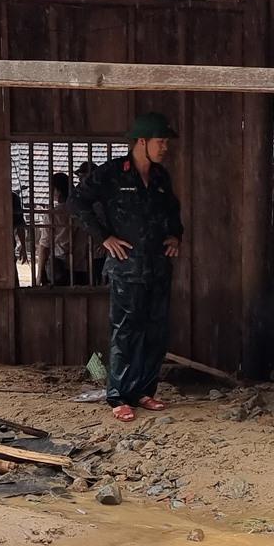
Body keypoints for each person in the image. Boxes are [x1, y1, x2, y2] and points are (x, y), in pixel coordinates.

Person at [73, 112, 184, 421]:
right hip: (126, 268)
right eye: (160, 142)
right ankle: (119, 396)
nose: (165, 147)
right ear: (141, 142)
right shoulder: (111, 173)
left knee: (156, 331)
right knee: (126, 332)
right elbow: (77, 202)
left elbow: (173, 211)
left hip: (158, 267)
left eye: (165, 142)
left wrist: (176, 235)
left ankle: (144, 391)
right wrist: (104, 237)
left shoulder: (161, 177)